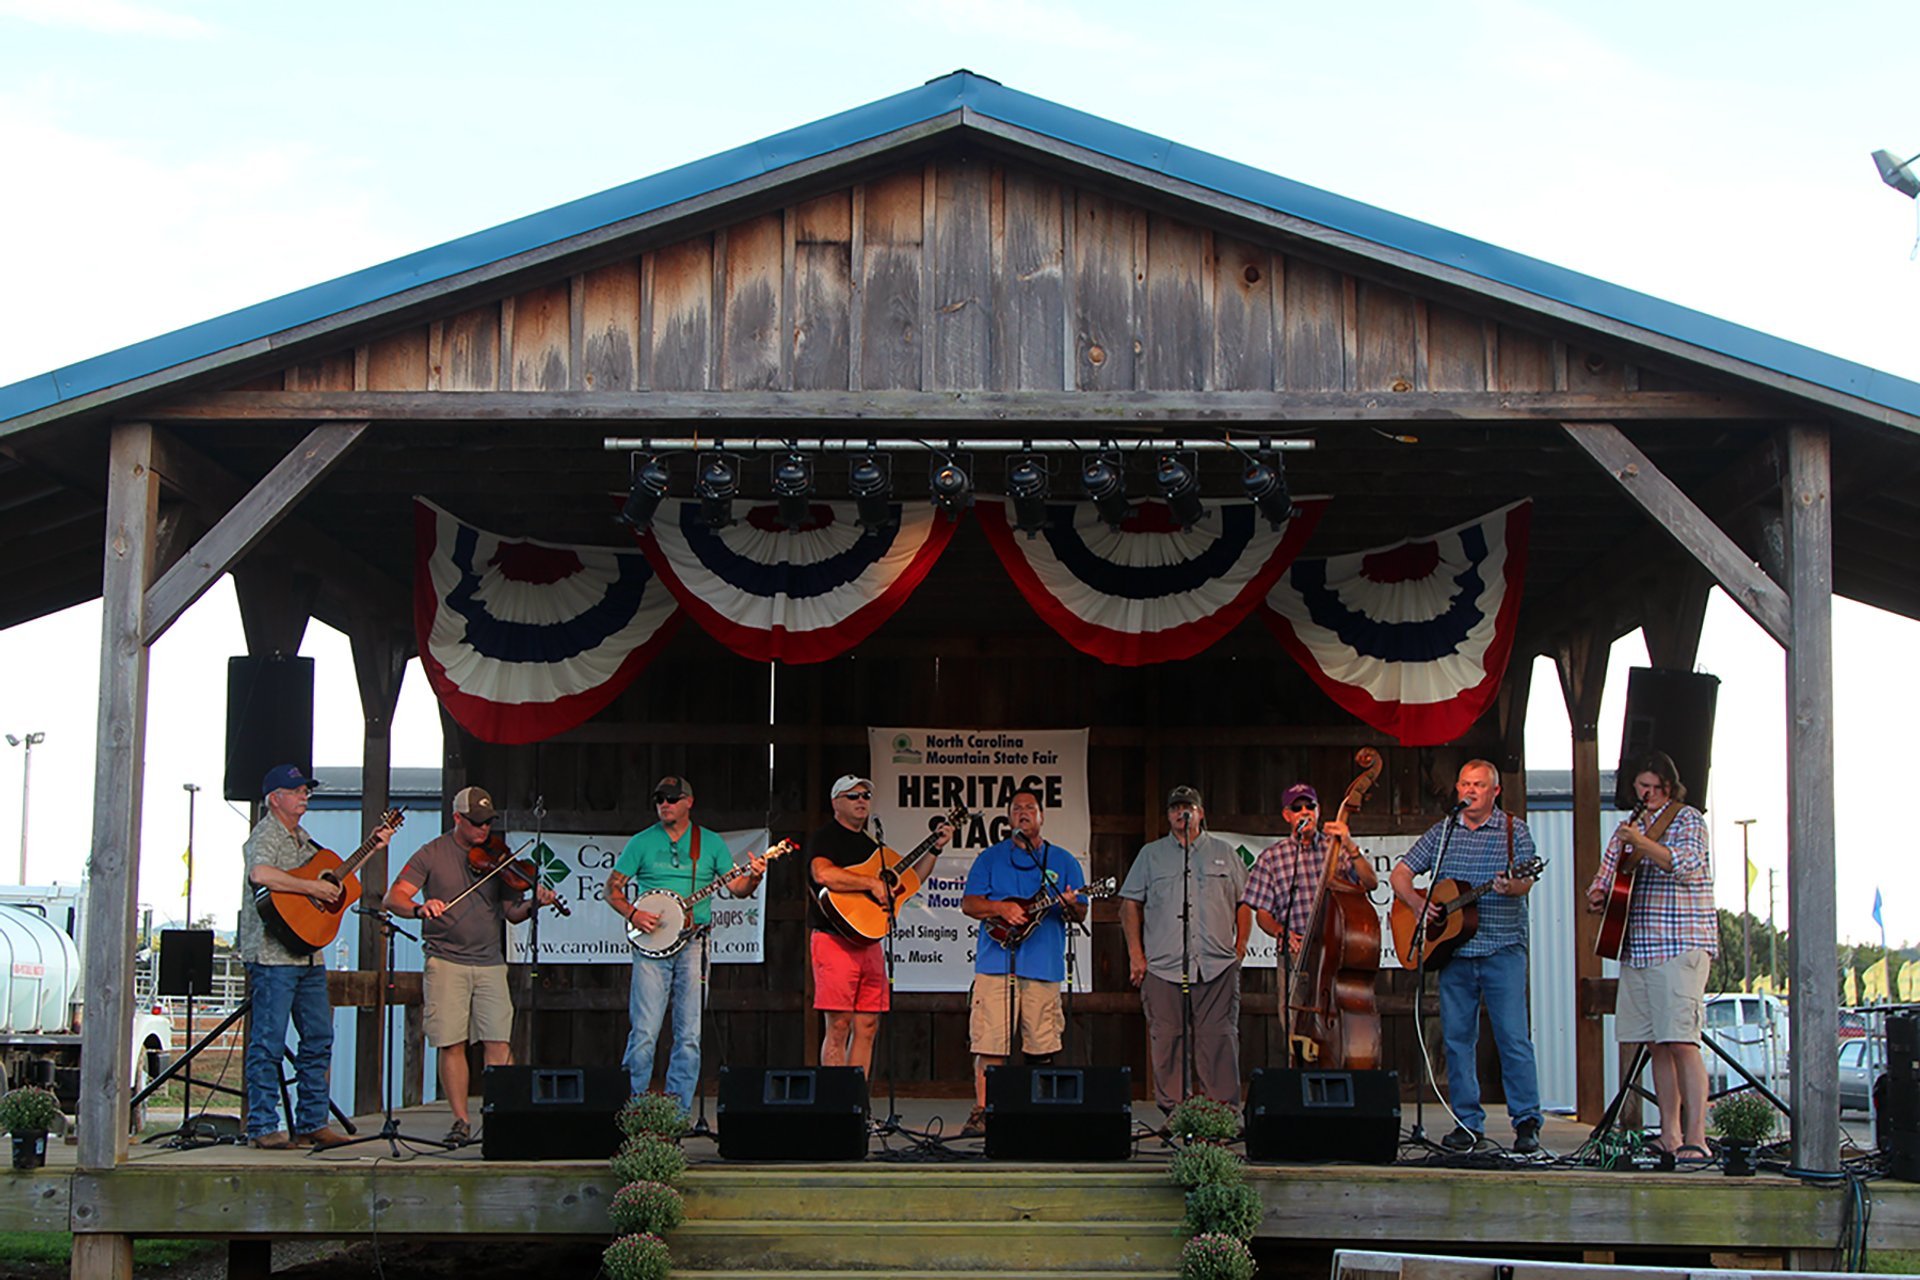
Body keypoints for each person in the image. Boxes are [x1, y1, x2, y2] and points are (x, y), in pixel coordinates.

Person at [384, 785, 556, 1146]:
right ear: (457, 818)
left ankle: (501, 1116)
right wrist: (420, 908)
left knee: (498, 1039)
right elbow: (393, 897)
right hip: (445, 959)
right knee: (452, 1042)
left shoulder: (500, 856)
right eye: (476, 823)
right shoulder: (431, 853)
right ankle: (461, 1121)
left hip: (491, 960)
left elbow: (512, 913)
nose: (484, 831)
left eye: (488, 823)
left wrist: (535, 905)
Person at [1390, 759, 1544, 1154]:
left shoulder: (1514, 831)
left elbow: (1525, 881)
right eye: (1464, 783)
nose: (1469, 790)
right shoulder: (1443, 832)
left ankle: (1526, 1121)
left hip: (1502, 948)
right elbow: (1400, 874)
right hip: (1455, 953)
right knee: (1458, 1041)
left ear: (1495, 792)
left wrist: (1512, 887)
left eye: (1478, 785)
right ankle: (1466, 1123)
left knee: (1512, 1037)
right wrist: (1419, 903)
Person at [239, 764, 390, 1150]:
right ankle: (262, 1126)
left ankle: (311, 1123)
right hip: (273, 956)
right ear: (276, 799)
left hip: (308, 956)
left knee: (319, 1038)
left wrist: (372, 846)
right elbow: (260, 873)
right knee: (269, 1042)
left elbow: (335, 879)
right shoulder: (266, 834)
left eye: (306, 789)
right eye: (296, 790)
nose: (305, 794)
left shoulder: (306, 842)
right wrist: (310, 886)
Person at [606, 775, 767, 1109]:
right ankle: (633, 1112)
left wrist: (754, 875)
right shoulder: (641, 842)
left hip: (694, 943)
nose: (664, 804)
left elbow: (737, 890)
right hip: (650, 946)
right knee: (645, 1033)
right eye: (659, 799)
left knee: (689, 1035)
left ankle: (676, 1116)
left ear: (689, 802)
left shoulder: (710, 843)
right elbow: (612, 889)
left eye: (672, 798)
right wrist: (634, 915)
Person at [1585, 749, 1716, 1157]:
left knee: (1681, 1040)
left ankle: (1697, 1138)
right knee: (1655, 1043)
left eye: (1655, 787)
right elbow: (1606, 874)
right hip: (1637, 948)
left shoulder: (1688, 819)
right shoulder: (1629, 826)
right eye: (1642, 787)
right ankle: (1670, 1134)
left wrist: (1641, 842)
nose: (1648, 794)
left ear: (1669, 786)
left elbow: (1686, 865)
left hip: (1679, 943)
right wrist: (1598, 892)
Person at [958, 787, 1087, 1136]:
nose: (1023, 813)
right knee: (990, 1044)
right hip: (995, 964)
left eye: (1030, 808)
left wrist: (1069, 904)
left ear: (1042, 816)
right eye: (1016, 808)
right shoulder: (990, 858)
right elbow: (970, 904)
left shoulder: (1063, 861)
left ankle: (1038, 1111)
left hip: (1043, 965)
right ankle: (983, 1112)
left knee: (1042, 1045)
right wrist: (1001, 908)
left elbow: (1082, 911)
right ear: (1008, 817)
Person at [806, 774, 953, 1075]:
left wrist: (935, 849)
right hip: (834, 939)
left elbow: (909, 881)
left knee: (868, 1024)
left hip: (869, 940)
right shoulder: (825, 837)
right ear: (836, 803)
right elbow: (823, 874)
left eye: (865, 796)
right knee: (839, 1025)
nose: (862, 801)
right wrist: (870, 883)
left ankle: (857, 1104)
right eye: (853, 796)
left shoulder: (874, 846)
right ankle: (836, 1101)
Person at [1119, 785, 1250, 1112]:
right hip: (1163, 965)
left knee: (1218, 1039)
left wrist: (1241, 946)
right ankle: (1176, 1115)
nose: (1182, 813)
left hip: (1216, 964)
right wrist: (1136, 955)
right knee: (1167, 1041)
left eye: (1188, 807)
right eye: (1176, 808)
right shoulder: (1151, 854)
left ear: (1201, 813)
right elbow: (1129, 904)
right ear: (1168, 816)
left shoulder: (1224, 852)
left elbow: (1245, 902)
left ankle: (1218, 1116)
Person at [1242, 782, 1378, 953]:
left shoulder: (1337, 849)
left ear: (1317, 810)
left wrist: (1350, 845)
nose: (1305, 811)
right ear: (1287, 815)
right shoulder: (1270, 858)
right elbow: (1263, 914)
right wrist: (1282, 933)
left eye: (1310, 806)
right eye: (1297, 808)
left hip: (1338, 948)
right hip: (1295, 950)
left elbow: (1371, 883)